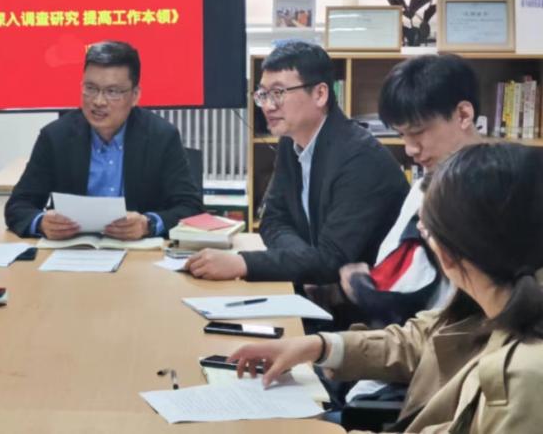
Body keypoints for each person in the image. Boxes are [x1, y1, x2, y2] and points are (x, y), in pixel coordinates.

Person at [229, 142, 543, 432]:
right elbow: (422, 339)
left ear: (449, 252)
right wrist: (318, 347)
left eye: (425, 230)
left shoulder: (524, 376)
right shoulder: (493, 294)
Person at [187, 41, 407, 283]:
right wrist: (305, 259)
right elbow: (273, 220)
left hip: (366, 300)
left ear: (320, 94)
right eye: (262, 94)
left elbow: (333, 260)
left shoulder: (360, 158)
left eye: (278, 93)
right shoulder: (290, 143)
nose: (267, 106)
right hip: (316, 287)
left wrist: (243, 263)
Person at [4, 41, 201, 240]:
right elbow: (18, 206)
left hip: (138, 252)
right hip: (73, 251)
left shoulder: (161, 137)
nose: (98, 101)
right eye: (90, 88)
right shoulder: (56, 137)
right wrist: (41, 223)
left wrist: (147, 225)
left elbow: (191, 208)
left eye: (112, 92)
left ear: (135, 95)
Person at [339, 55, 481, 330]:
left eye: (418, 132)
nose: (410, 149)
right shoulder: (422, 188)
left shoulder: (500, 193)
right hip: (406, 336)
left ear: (463, 115)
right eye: (402, 135)